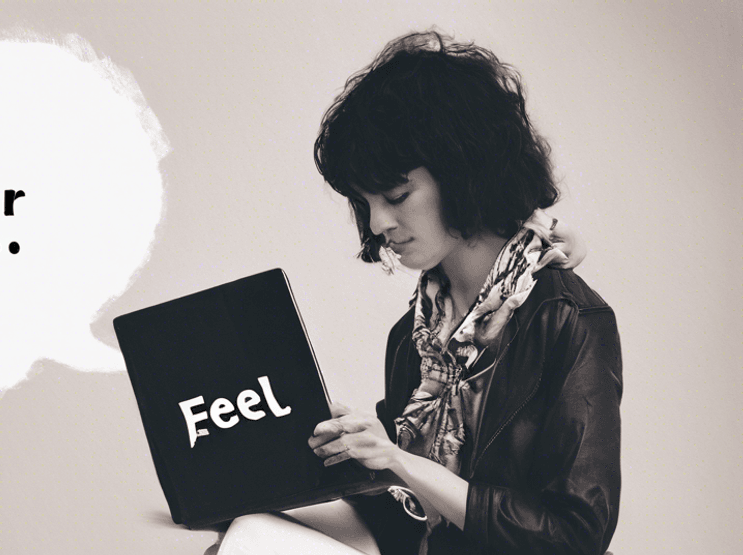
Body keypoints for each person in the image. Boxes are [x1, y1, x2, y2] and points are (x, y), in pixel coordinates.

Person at [219, 31, 621, 555]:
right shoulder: (416, 336)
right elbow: (406, 522)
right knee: (246, 534)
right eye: (364, 203)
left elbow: (574, 536)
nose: (378, 222)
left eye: (396, 195)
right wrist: (291, 481)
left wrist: (400, 459)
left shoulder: (568, 319)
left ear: (463, 174)